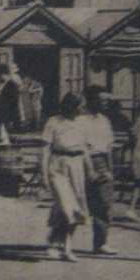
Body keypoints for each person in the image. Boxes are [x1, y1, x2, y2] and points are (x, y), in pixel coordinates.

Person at [40, 92, 91, 260]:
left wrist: (90, 169)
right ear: (71, 105)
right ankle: (58, 244)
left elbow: (84, 148)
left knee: (75, 207)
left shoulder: (82, 124)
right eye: (80, 106)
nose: (82, 110)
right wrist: (44, 175)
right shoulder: (54, 122)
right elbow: (45, 150)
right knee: (66, 206)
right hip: (58, 165)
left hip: (76, 165)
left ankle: (64, 246)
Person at [79, 86, 119, 255]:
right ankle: (60, 242)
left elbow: (109, 147)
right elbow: (79, 145)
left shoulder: (104, 120)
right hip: (80, 161)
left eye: (107, 100)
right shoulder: (78, 119)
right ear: (91, 100)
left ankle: (100, 243)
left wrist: (110, 169)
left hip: (101, 161)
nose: (106, 104)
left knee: (105, 203)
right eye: (102, 100)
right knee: (75, 203)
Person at [0, 63, 23, 135]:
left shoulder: (11, 84)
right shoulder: (8, 84)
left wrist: (10, 118)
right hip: (7, 115)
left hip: (9, 116)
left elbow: (13, 103)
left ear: (3, 74)